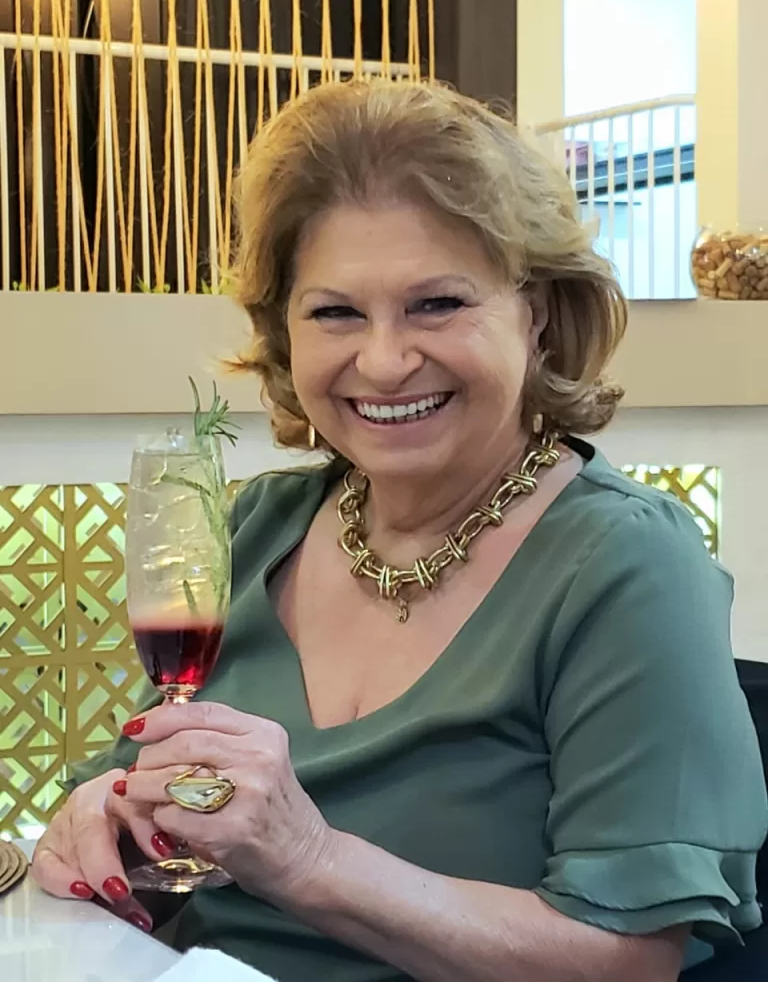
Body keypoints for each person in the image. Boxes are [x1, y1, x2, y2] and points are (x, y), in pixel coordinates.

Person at [32, 79, 767, 982]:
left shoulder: (628, 565)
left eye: (438, 304)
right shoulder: (257, 527)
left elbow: (628, 962)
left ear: (536, 313)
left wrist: (307, 858)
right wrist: (98, 819)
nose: (383, 362)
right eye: (336, 312)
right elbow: (136, 799)